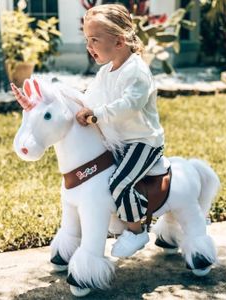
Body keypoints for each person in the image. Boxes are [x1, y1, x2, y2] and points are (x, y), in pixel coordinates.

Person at [76, 4, 165, 258]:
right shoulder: (107, 71)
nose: (89, 46)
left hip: (143, 142)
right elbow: (89, 96)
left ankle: (137, 231)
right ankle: (117, 218)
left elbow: (129, 105)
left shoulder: (136, 71)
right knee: (98, 179)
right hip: (119, 141)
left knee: (119, 182)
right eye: (86, 39)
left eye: (94, 39)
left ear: (120, 40)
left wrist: (96, 115)